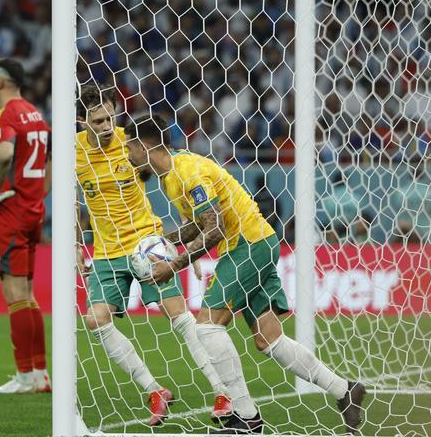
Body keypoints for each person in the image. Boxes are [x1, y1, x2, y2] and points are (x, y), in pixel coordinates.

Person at [124, 115, 366, 435]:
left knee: (208, 326)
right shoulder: (171, 176)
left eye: (130, 148)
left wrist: (173, 264)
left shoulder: (187, 173)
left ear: (145, 146)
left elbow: (215, 229)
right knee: (269, 339)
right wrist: (168, 242)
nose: (128, 156)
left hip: (246, 245)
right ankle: (345, 390)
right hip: (257, 241)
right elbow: (201, 224)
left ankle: (247, 418)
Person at [75, 84, 232, 426]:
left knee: (179, 316)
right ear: (81, 121)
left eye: (109, 118)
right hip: (105, 251)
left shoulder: (130, 143)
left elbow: (160, 167)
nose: (105, 126)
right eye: (97, 121)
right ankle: (154, 390)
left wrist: (175, 236)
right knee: (95, 320)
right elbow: (73, 203)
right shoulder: (73, 153)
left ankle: (223, 391)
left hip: (145, 244)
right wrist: (76, 244)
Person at [0, 58, 51, 395]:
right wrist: (38, 194)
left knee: (15, 296)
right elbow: (50, 160)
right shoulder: (36, 113)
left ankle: (25, 376)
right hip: (32, 211)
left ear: (1, 82)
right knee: (29, 295)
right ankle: (40, 374)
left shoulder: (5, 115)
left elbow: (6, 154)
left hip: (9, 213)